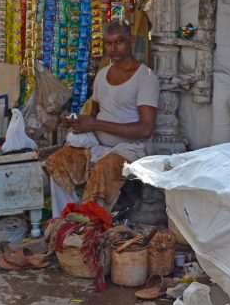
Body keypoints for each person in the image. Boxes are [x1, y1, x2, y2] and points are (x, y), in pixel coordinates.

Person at [43, 19, 160, 217]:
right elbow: (94, 114)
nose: (113, 48)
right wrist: (77, 122)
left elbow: (145, 129)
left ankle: (90, 228)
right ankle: (65, 220)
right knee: (57, 161)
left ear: (131, 41)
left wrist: (95, 123)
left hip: (129, 149)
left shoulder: (145, 77)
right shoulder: (102, 75)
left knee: (103, 171)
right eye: (108, 43)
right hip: (97, 145)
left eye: (119, 41)